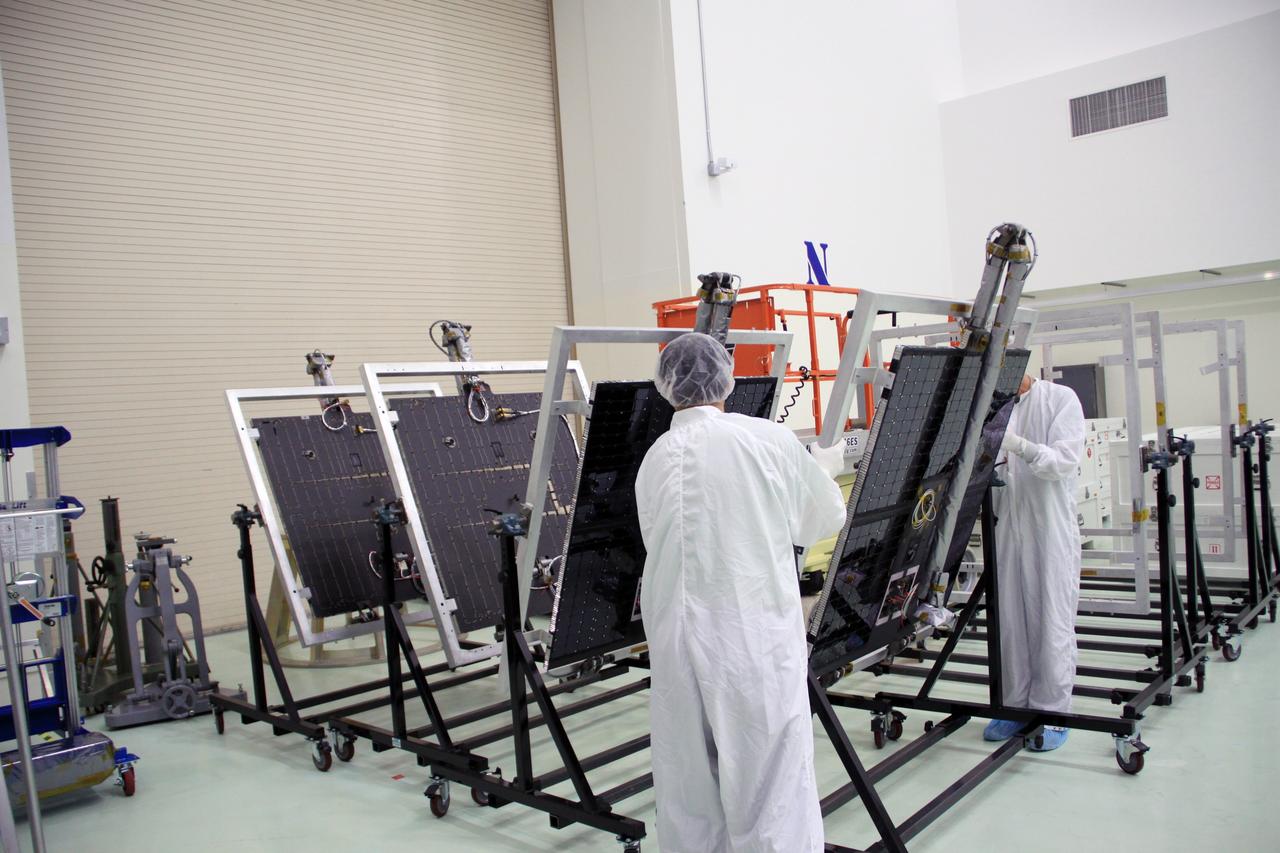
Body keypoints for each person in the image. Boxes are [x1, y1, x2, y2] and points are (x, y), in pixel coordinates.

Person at [635, 332, 847, 853]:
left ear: (667, 387)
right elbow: (823, 517)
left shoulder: (654, 458)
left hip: (675, 641)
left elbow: (655, 539)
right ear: (725, 380)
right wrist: (826, 466)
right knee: (769, 782)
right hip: (751, 638)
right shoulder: (764, 439)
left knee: (688, 783)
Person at [983, 373, 1086, 752]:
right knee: (1010, 619)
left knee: (1051, 618)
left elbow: (1063, 461)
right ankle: (1014, 707)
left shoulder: (1060, 399)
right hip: (1006, 525)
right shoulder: (994, 406)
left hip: (1049, 529)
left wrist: (1020, 446)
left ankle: (1053, 711)